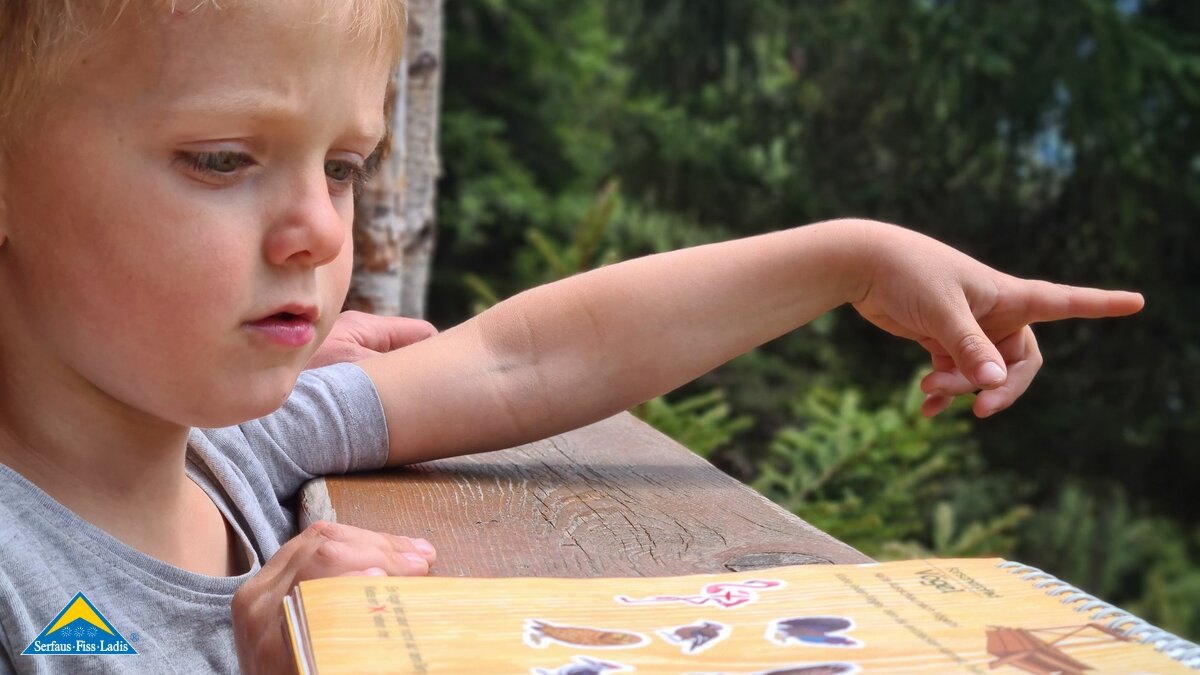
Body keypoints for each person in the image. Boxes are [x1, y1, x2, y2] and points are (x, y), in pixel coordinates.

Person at [0, 1, 1144, 673]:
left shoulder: (224, 451)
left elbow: (522, 360)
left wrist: (845, 257)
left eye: (344, 167)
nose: (315, 229)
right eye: (222, 159)